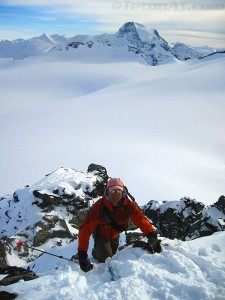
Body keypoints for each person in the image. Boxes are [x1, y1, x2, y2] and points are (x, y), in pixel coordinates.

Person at [76, 178, 161, 272]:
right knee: (105, 260)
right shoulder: (100, 206)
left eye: (118, 190)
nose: (115, 193)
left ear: (123, 191)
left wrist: (151, 235)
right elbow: (85, 228)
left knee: (113, 255)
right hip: (101, 234)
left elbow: (140, 219)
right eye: (113, 190)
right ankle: (97, 252)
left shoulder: (129, 205)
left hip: (115, 234)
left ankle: (98, 251)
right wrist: (82, 255)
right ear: (107, 191)